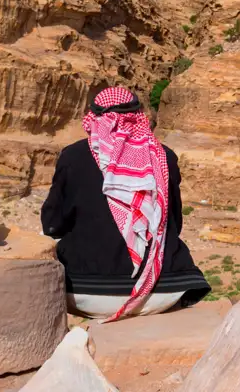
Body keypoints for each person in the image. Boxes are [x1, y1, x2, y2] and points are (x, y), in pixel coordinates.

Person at [41, 87, 209, 321]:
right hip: (162, 292)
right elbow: (175, 223)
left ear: (95, 118)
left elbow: (52, 224)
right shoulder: (165, 157)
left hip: (85, 293)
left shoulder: (73, 156)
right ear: (138, 116)